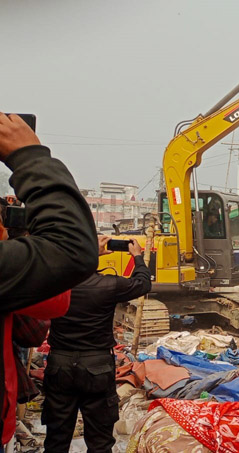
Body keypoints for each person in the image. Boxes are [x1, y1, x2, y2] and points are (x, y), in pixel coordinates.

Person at [0, 112, 98, 448]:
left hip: (60, 365)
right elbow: (68, 255)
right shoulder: (113, 287)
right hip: (95, 367)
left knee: (58, 425)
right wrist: (28, 156)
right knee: (100, 429)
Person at [43, 236, 151, 452]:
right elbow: (143, 283)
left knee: (56, 440)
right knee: (100, 442)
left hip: (59, 365)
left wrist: (89, 251)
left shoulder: (54, 283)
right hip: (97, 366)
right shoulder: (109, 284)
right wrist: (137, 256)